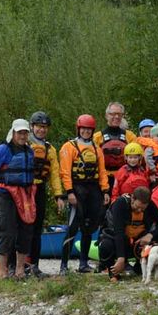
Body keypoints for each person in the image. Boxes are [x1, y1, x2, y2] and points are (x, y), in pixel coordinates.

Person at [58, 114, 110, 274]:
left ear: (92, 130)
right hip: (77, 189)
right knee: (73, 227)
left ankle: (83, 264)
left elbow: (102, 171)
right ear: (79, 129)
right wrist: (69, 192)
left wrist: (105, 190)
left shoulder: (97, 149)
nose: (86, 132)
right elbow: (65, 172)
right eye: (83, 129)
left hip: (93, 190)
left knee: (88, 228)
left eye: (89, 129)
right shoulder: (69, 147)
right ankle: (64, 265)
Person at [0, 118, 37, 278]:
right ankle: (3, 272)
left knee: (25, 230)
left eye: (25, 133)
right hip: (6, 195)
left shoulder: (29, 151)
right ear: (13, 133)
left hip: (25, 194)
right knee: (6, 232)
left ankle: (20, 270)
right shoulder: (0, 151)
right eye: (20, 132)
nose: (23, 135)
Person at [97, 186, 158, 278]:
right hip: (119, 240)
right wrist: (121, 258)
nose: (139, 211)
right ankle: (113, 272)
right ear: (132, 198)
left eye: (143, 209)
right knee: (106, 246)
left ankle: (139, 269)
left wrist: (150, 235)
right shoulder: (120, 203)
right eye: (137, 207)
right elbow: (118, 232)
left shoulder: (149, 204)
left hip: (137, 242)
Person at [28, 111, 62, 276]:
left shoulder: (50, 149)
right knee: (22, 227)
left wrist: (58, 195)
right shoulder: (24, 144)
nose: (42, 130)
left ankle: (34, 265)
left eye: (44, 127)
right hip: (24, 190)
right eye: (39, 127)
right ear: (32, 127)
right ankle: (19, 265)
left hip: (39, 189)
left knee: (37, 229)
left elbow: (54, 173)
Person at [98, 102, 137, 175]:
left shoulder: (130, 136)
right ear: (106, 116)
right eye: (113, 114)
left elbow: (138, 158)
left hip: (125, 176)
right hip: (104, 178)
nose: (116, 117)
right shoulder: (97, 137)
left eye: (119, 114)